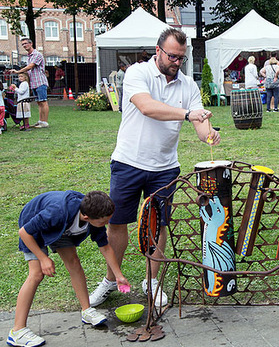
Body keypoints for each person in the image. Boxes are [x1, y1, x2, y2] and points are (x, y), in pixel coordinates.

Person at [88, 28, 220, 309]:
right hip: (128, 162)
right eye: (172, 55)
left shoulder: (188, 85)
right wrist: (187, 114)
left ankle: (151, 280)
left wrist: (209, 132)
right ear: (158, 50)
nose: (176, 62)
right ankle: (111, 279)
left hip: (165, 167)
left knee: (159, 224)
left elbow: (199, 123)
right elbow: (147, 107)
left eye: (181, 58)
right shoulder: (138, 73)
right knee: (118, 222)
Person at [7, 191, 130, 347]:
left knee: (73, 262)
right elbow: (24, 232)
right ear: (87, 218)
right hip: (33, 229)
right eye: (103, 222)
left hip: (62, 227)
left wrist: (118, 276)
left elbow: (105, 248)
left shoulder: (96, 214)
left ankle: (86, 311)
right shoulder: (57, 212)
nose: (105, 225)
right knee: (36, 274)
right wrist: (43, 259)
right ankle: (17, 332)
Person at [10, 38, 50, 128]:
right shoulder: (29, 56)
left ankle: (45, 122)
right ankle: (41, 121)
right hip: (34, 83)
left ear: (31, 43)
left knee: (43, 101)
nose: (24, 46)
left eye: (25, 43)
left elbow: (30, 67)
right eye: (23, 44)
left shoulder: (37, 54)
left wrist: (17, 72)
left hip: (40, 82)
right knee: (39, 102)